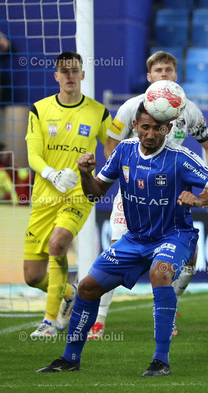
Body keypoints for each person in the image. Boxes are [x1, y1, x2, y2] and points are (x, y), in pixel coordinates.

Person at [37, 100, 208, 375]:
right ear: (135, 126)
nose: (150, 134)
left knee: (160, 273)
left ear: (168, 129)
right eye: (145, 127)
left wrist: (200, 199)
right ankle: (70, 358)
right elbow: (95, 194)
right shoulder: (124, 151)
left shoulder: (181, 157)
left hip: (175, 235)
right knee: (87, 287)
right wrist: (85, 174)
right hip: (136, 239)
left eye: (157, 128)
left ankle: (160, 360)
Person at [87, 51, 208, 340]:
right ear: (149, 77)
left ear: (176, 75)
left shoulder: (189, 110)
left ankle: (168, 313)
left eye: (168, 70)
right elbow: (111, 144)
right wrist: (124, 174)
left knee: (189, 258)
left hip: (170, 197)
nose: (164, 74)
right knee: (115, 251)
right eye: (158, 70)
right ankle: (99, 320)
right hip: (134, 195)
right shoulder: (131, 107)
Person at [23, 52, 112, 338]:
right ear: (56, 76)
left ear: (83, 75)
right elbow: (33, 155)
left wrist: (98, 175)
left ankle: (49, 322)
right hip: (45, 196)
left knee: (58, 243)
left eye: (75, 70)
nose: (70, 76)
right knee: (32, 277)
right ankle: (68, 292)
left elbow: (113, 150)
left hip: (78, 194)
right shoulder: (39, 109)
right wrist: (53, 175)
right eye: (64, 71)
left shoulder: (99, 112)